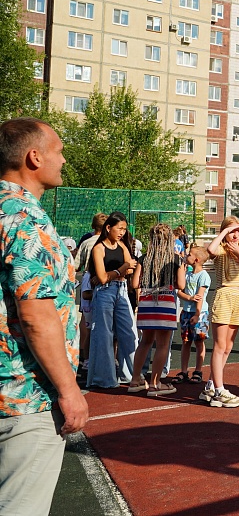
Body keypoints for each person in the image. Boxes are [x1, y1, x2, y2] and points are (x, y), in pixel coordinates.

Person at [0, 117, 88, 514]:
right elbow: (36, 313)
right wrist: (69, 391)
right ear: (34, 157)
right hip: (25, 395)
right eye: (58, 151)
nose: (63, 160)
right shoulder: (24, 218)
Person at [201, 217, 239, 408]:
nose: (236, 235)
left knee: (228, 346)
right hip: (224, 295)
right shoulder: (221, 249)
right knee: (220, 345)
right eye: (232, 231)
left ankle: (211, 385)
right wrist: (224, 232)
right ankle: (219, 391)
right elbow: (210, 250)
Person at [128, 224, 185, 397]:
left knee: (145, 341)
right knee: (162, 344)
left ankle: (135, 380)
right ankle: (155, 384)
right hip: (165, 303)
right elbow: (181, 285)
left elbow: (135, 284)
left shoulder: (144, 258)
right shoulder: (176, 259)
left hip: (146, 302)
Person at [86, 211, 139, 389]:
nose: (122, 232)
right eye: (120, 228)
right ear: (108, 228)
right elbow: (102, 278)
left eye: (124, 229)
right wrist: (122, 268)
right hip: (104, 292)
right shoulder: (98, 248)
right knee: (104, 335)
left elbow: (131, 269)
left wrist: (118, 271)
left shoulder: (122, 246)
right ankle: (104, 379)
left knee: (129, 332)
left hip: (121, 289)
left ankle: (131, 375)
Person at [75, 212, 108, 373]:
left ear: (93, 226)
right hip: (106, 280)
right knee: (106, 323)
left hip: (89, 279)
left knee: (87, 323)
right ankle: (107, 358)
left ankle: (86, 357)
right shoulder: (109, 243)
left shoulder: (87, 242)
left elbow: (76, 265)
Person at [176, 246, 211, 384]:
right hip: (186, 311)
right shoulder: (187, 274)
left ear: (196, 260)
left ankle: (198, 370)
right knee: (186, 341)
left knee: (199, 341)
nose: (186, 256)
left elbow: (200, 297)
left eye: (189, 254)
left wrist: (197, 314)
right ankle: (184, 371)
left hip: (199, 313)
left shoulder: (204, 276)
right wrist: (189, 298)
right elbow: (179, 291)